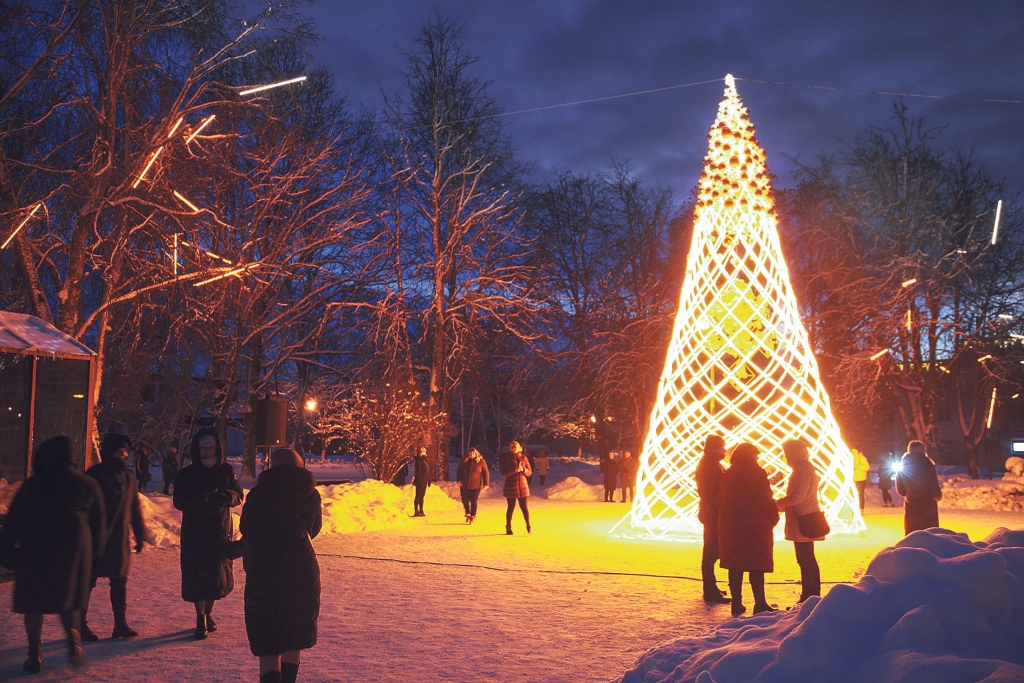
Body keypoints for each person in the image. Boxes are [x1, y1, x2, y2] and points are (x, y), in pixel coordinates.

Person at [0, 437, 106, 673]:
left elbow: (15, 519)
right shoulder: (87, 484)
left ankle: (34, 653)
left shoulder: (34, 484)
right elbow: (99, 525)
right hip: (75, 554)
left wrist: (5, 548)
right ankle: (75, 644)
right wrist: (96, 557)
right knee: (70, 602)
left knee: (34, 604)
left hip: (36, 551)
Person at [240, 448, 323, 683]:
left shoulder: (257, 495)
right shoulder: (310, 495)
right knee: (293, 633)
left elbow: (248, 529)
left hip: (264, 570)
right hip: (299, 570)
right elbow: (313, 530)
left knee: (268, 638)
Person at [174, 428, 244, 640]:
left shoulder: (225, 471)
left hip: (219, 530)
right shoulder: (186, 473)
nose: (206, 451)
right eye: (203, 448)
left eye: (210, 447)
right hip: (195, 532)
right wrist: (202, 499)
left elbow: (238, 495)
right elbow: (179, 501)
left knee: (216, 575)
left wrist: (225, 496)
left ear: (216, 448)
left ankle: (209, 612)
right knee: (197, 575)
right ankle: (199, 617)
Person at [84, 432, 146, 640]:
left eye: (126, 451)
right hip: (96, 536)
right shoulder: (95, 475)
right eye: (119, 450)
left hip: (119, 538)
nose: (124, 455)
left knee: (119, 580)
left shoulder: (128, 476)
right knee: (88, 581)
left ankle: (120, 624)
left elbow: (134, 507)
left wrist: (139, 533)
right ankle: (80, 625)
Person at [718, 442, 779, 617]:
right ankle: (760, 603)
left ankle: (736, 602)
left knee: (735, 565)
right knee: (756, 564)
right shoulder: (756, 473)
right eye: (756, 455)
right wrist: (772, 516)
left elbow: (721, 496)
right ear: (751, 455)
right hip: (754, 524)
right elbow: (765, 498)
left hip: (731, 523)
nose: (758, 458)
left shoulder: (729, 473)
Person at [775, 439, 824, 604]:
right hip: (803, 517)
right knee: (806, 557)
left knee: (805, 558)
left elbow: (798, 497)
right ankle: (811, 594)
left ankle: (809, 596)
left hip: (804, 519)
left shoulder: (803, 469)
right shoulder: (803, 468)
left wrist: (777, 504)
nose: (786, 458)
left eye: (787, 454)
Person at [694, 435, 730, 604]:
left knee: (712, 552)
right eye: (722, 446)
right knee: (710, 553)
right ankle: (709, 590)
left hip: (712, 513)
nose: (725, 449)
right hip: (713, 515)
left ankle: (711, 587)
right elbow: (708, 493)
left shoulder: (711, 463)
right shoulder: (709, 465)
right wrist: (717, 514)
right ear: (715, 448)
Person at [895, 440, 942, 535]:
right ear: (923, 451)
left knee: (913, 536)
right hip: (928, 507)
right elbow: (934, 488)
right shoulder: (928, 465)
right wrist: (938, 496)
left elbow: (901, 491)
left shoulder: (903, 466)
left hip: (911, 507)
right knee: (930, 535)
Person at [500, 441, 532, 534]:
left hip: (522, 486)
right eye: (511, 447)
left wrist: (523, 470)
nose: (513, 449)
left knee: (524, 507)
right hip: (510, 486)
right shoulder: (506, 458)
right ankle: (508, 527)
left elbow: (530, 472)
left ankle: (528, 526)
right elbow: (504, 473)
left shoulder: (523, 458)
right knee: (510, 507)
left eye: (515, 447)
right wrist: (514, 470)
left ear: (519, 448)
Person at [456, 448, 490, 523]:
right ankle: (467, 513)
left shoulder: (481, 461)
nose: (471, 456)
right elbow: (459, 471)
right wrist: (458, 480)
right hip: (464, 485)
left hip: (476, 485)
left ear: (476, 454)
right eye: (470, 454)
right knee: (465, 500)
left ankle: (473, 515)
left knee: (473, 501)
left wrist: (486, 483)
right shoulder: (464, 461)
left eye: (472, 454)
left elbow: (486, 473)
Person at [412, 447, 430, 517]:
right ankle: (416, 510)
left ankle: (421, 509)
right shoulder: (419, 460)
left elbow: (427, 470)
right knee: (418, 496)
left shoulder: (425, 460)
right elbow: (418, 471)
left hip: (424, 480)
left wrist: (429, 479)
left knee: (422, 496)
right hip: (420, 481)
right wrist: (419, 480)